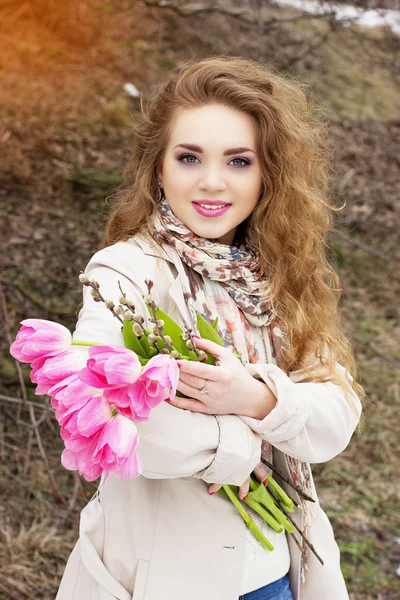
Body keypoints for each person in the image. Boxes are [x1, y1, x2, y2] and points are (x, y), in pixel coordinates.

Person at [56, 57, 363, 600]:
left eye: (239, 160)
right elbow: (95, 416)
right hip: (163, 580)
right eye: (190, 157)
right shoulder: (126, 271)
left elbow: (335, 417)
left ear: (268, 172)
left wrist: (259, 400)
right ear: (159, 167)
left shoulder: (279, 276)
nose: (213, 182)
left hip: (274, 572)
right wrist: (237, 450)